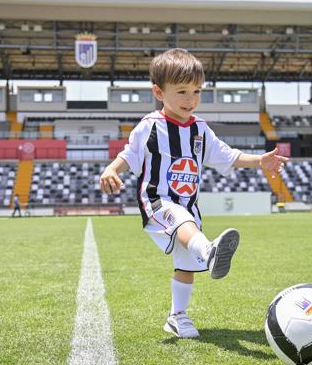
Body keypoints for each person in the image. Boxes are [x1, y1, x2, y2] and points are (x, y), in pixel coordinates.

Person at [100, 48, 288, 338]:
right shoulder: (150, 126)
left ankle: (177, 316)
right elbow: (130, 155)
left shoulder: (200, 129)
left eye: (197, 91)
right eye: (182, 92)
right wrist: (112, 169)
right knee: (183, 226)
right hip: (158, 201)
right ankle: (209, 250)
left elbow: (228, 156)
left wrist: (260, 160)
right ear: (159, 93)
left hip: (189, 207)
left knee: (185, 265)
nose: (191, 100)